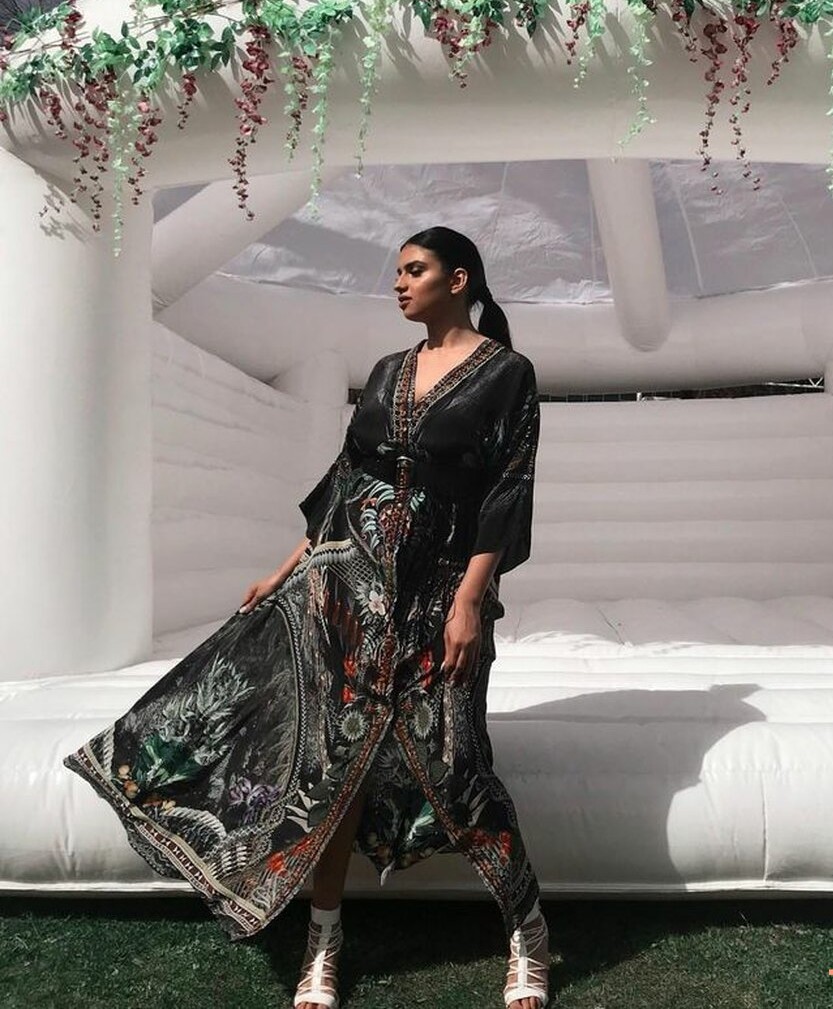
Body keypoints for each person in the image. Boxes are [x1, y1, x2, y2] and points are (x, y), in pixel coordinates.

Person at [62, 226, 550, 1009]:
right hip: (348, 594)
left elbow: (508, 488)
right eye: (397, 271)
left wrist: (469, 599)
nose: (398, 283)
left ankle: (526, 929)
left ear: (458, 280)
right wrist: (286, 566)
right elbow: (346, 478)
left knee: (457, 767)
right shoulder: (388, 369)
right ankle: (323, 941)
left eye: (414, 270)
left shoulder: (508, 373)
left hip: (439, 598)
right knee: (336, 767)